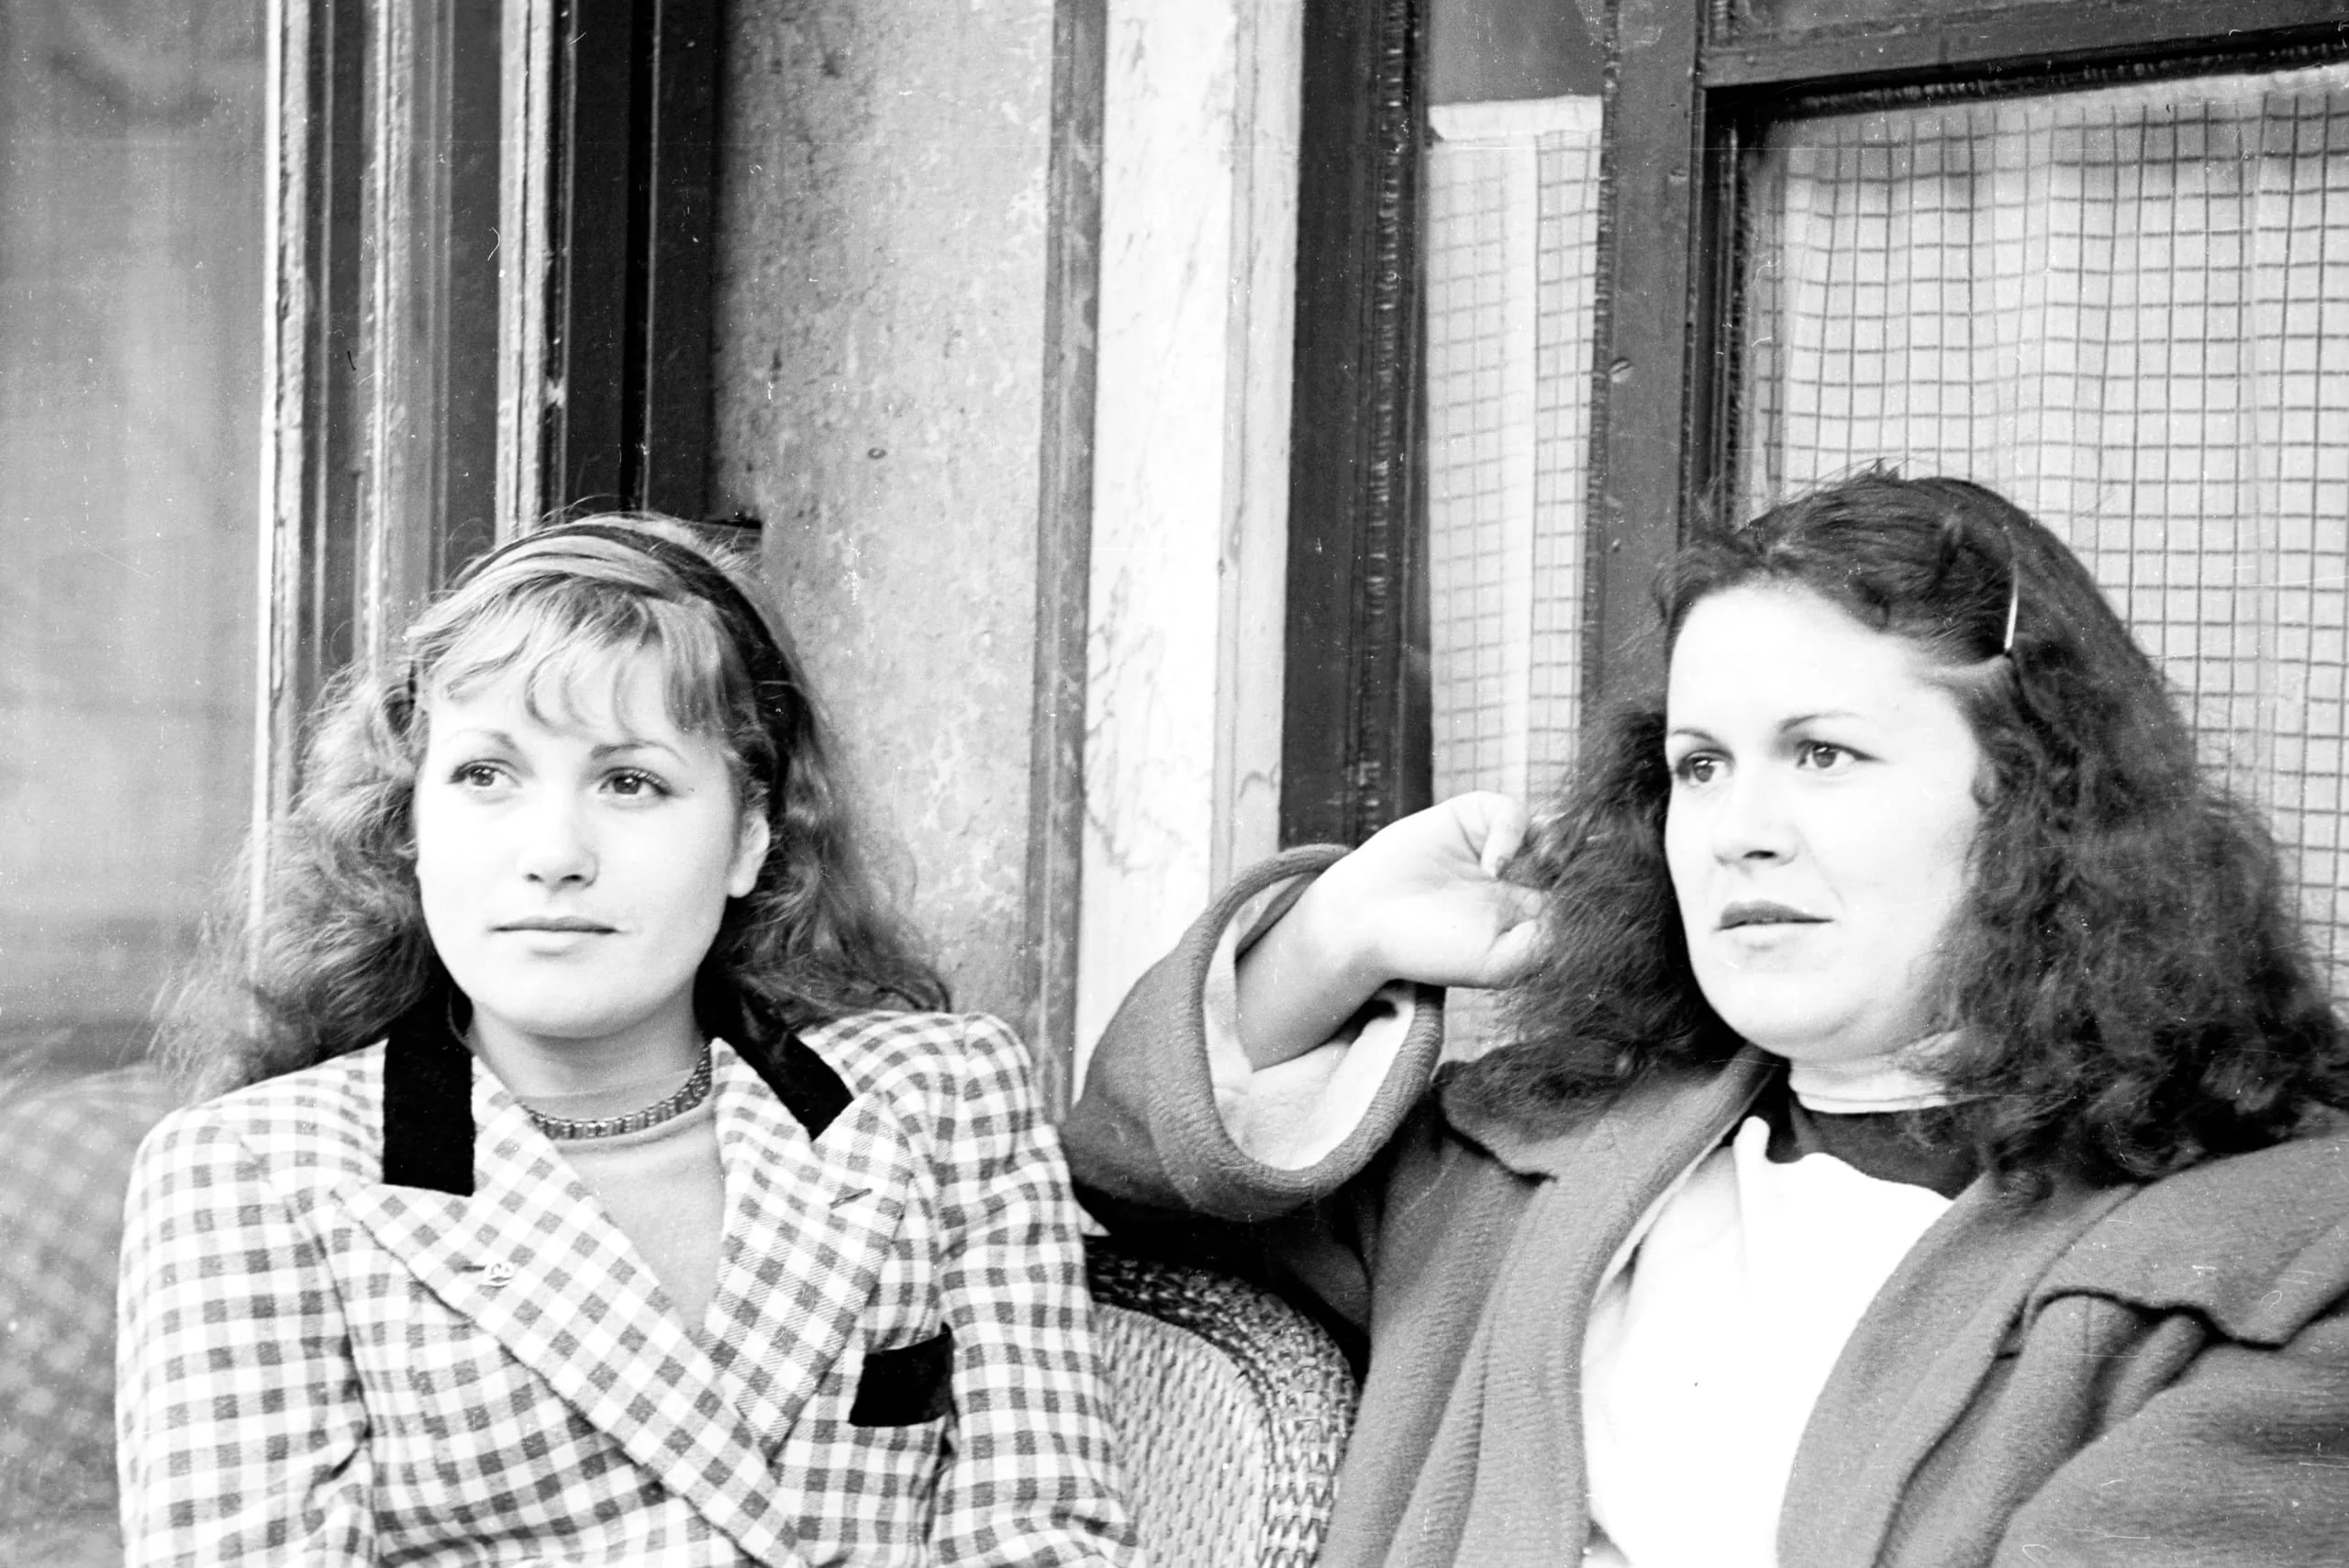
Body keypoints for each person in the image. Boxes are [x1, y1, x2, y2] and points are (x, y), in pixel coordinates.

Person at [1064, 472, 2349, 1568]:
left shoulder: (2274, 1264)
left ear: (2034, 800)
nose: (1740, 832)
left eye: (1824, 754)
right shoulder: (1526, 1160)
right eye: (1700, 766)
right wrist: (1338, 936)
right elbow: (1132, 1185)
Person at [119, 517, 1136, 1567]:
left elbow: (1045, 1538)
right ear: (411, 827)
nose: (554, 853)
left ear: (749, 837)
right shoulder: (255, 1173)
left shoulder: (941, 1102)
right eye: (485, 774)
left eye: (630, 781)